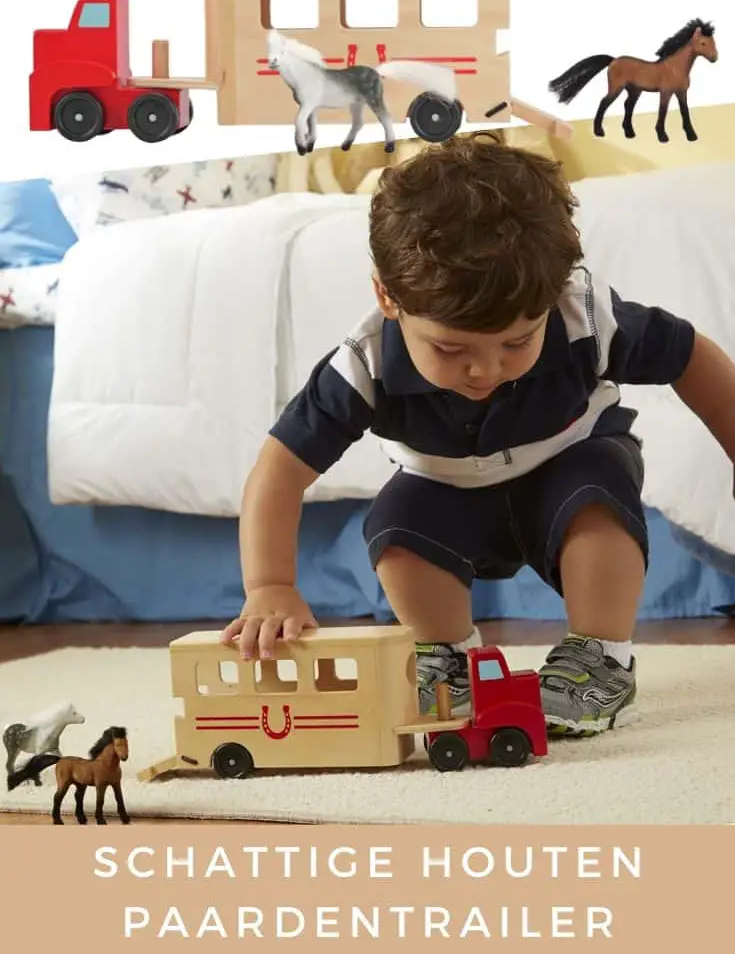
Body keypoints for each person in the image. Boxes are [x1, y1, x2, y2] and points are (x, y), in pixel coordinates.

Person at [221, 131, 735, 736]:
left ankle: (599, 657)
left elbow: (690, 357)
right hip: (446, 492)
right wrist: (271, 585)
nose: (485, 370)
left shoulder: (582, 317)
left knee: (598, 499)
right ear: (388, 296)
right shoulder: (365, 364)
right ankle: (447, 657)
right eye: (451, 348)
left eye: (517, 342)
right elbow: (279, 470)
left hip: (570, 462)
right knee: (397, 525)